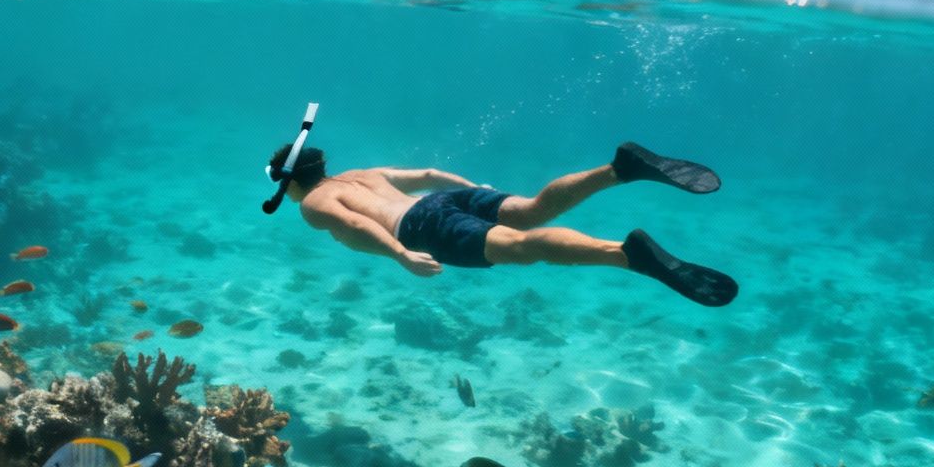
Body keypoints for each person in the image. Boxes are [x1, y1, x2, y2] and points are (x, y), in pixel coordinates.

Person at [267, 141, 737, 306]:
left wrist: (402, 255)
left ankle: (622, 254)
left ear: (290, 182)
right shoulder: (361, 173)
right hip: (445, 198)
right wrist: (473, 190)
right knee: (532, 209)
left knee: (520, 246)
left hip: (420, 228)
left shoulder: (313, 204)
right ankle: (620, 169)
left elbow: (357, 226)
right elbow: (429, 175)